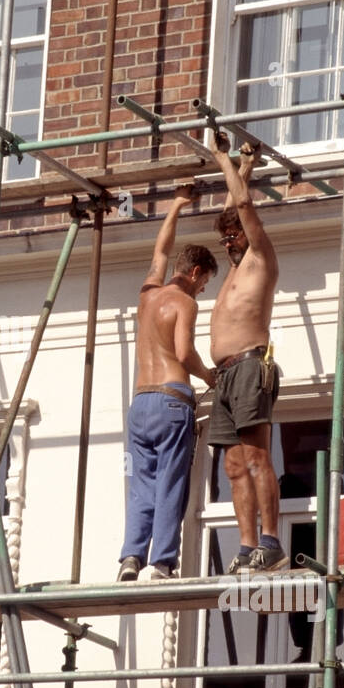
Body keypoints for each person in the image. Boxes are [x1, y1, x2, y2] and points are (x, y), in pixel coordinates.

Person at [117, 184, 218, 581]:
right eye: (205, 281)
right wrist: (209, 375)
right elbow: (182, 353)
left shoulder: (148, 294)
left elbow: (160, 251)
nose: (203, 289)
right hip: (172, 401)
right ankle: (161, 563)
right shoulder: (185, 302)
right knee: (171, 484)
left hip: (140, 404)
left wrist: (176, 205)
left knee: (142, 486)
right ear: (194, 273)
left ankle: (130, 558)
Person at [208, 131, 284, 572]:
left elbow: (242, 207)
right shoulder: (234, 268)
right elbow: (230, 213)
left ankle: (271, 541)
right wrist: (244, 166)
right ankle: (247, 545)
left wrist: (223, 159)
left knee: (256, 457)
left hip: (252, 366)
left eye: (233, 236)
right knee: (234, 467)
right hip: (224, 375)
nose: (227, 242)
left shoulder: (261, 257)